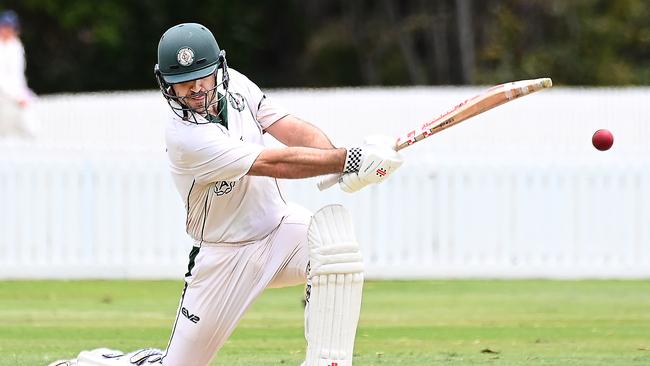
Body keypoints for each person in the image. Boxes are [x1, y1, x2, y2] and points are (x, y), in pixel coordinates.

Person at [49, 23, 403, 366]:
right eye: (182, 83)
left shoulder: (238, 88)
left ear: (218, 67)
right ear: (166, 85)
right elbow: (273, 162)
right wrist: (349, 159)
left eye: (202, 76)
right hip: (223, 256)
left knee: (336, 251)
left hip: (280, 231)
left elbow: (288, 128)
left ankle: (327, 362)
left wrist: (341, 162)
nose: (195, 89)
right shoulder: (185, 138)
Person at [0, 10, 38, 138]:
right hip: (4, 93)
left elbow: (17, 75)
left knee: (29, 108)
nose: (7, 30)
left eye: (10, 27)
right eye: (4, 26)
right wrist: (17, 96)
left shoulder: (16, 46)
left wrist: (21, 94)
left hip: (12, 92)